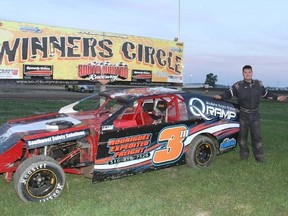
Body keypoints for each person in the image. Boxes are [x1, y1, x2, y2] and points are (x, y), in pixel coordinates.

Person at [214, 65, 287, 163]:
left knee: (257, 136)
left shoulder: (258, 84)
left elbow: (266, 94)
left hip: (255, 114)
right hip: (243, 114)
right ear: (242, 73)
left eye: (249, 72)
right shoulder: (238, 85)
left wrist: (277, 98)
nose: (247, 74)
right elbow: (229, 93)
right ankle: (244, 155)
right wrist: (220, 96)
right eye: (245, 72)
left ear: (252, 73)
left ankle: (259, 156)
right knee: (243, 137)